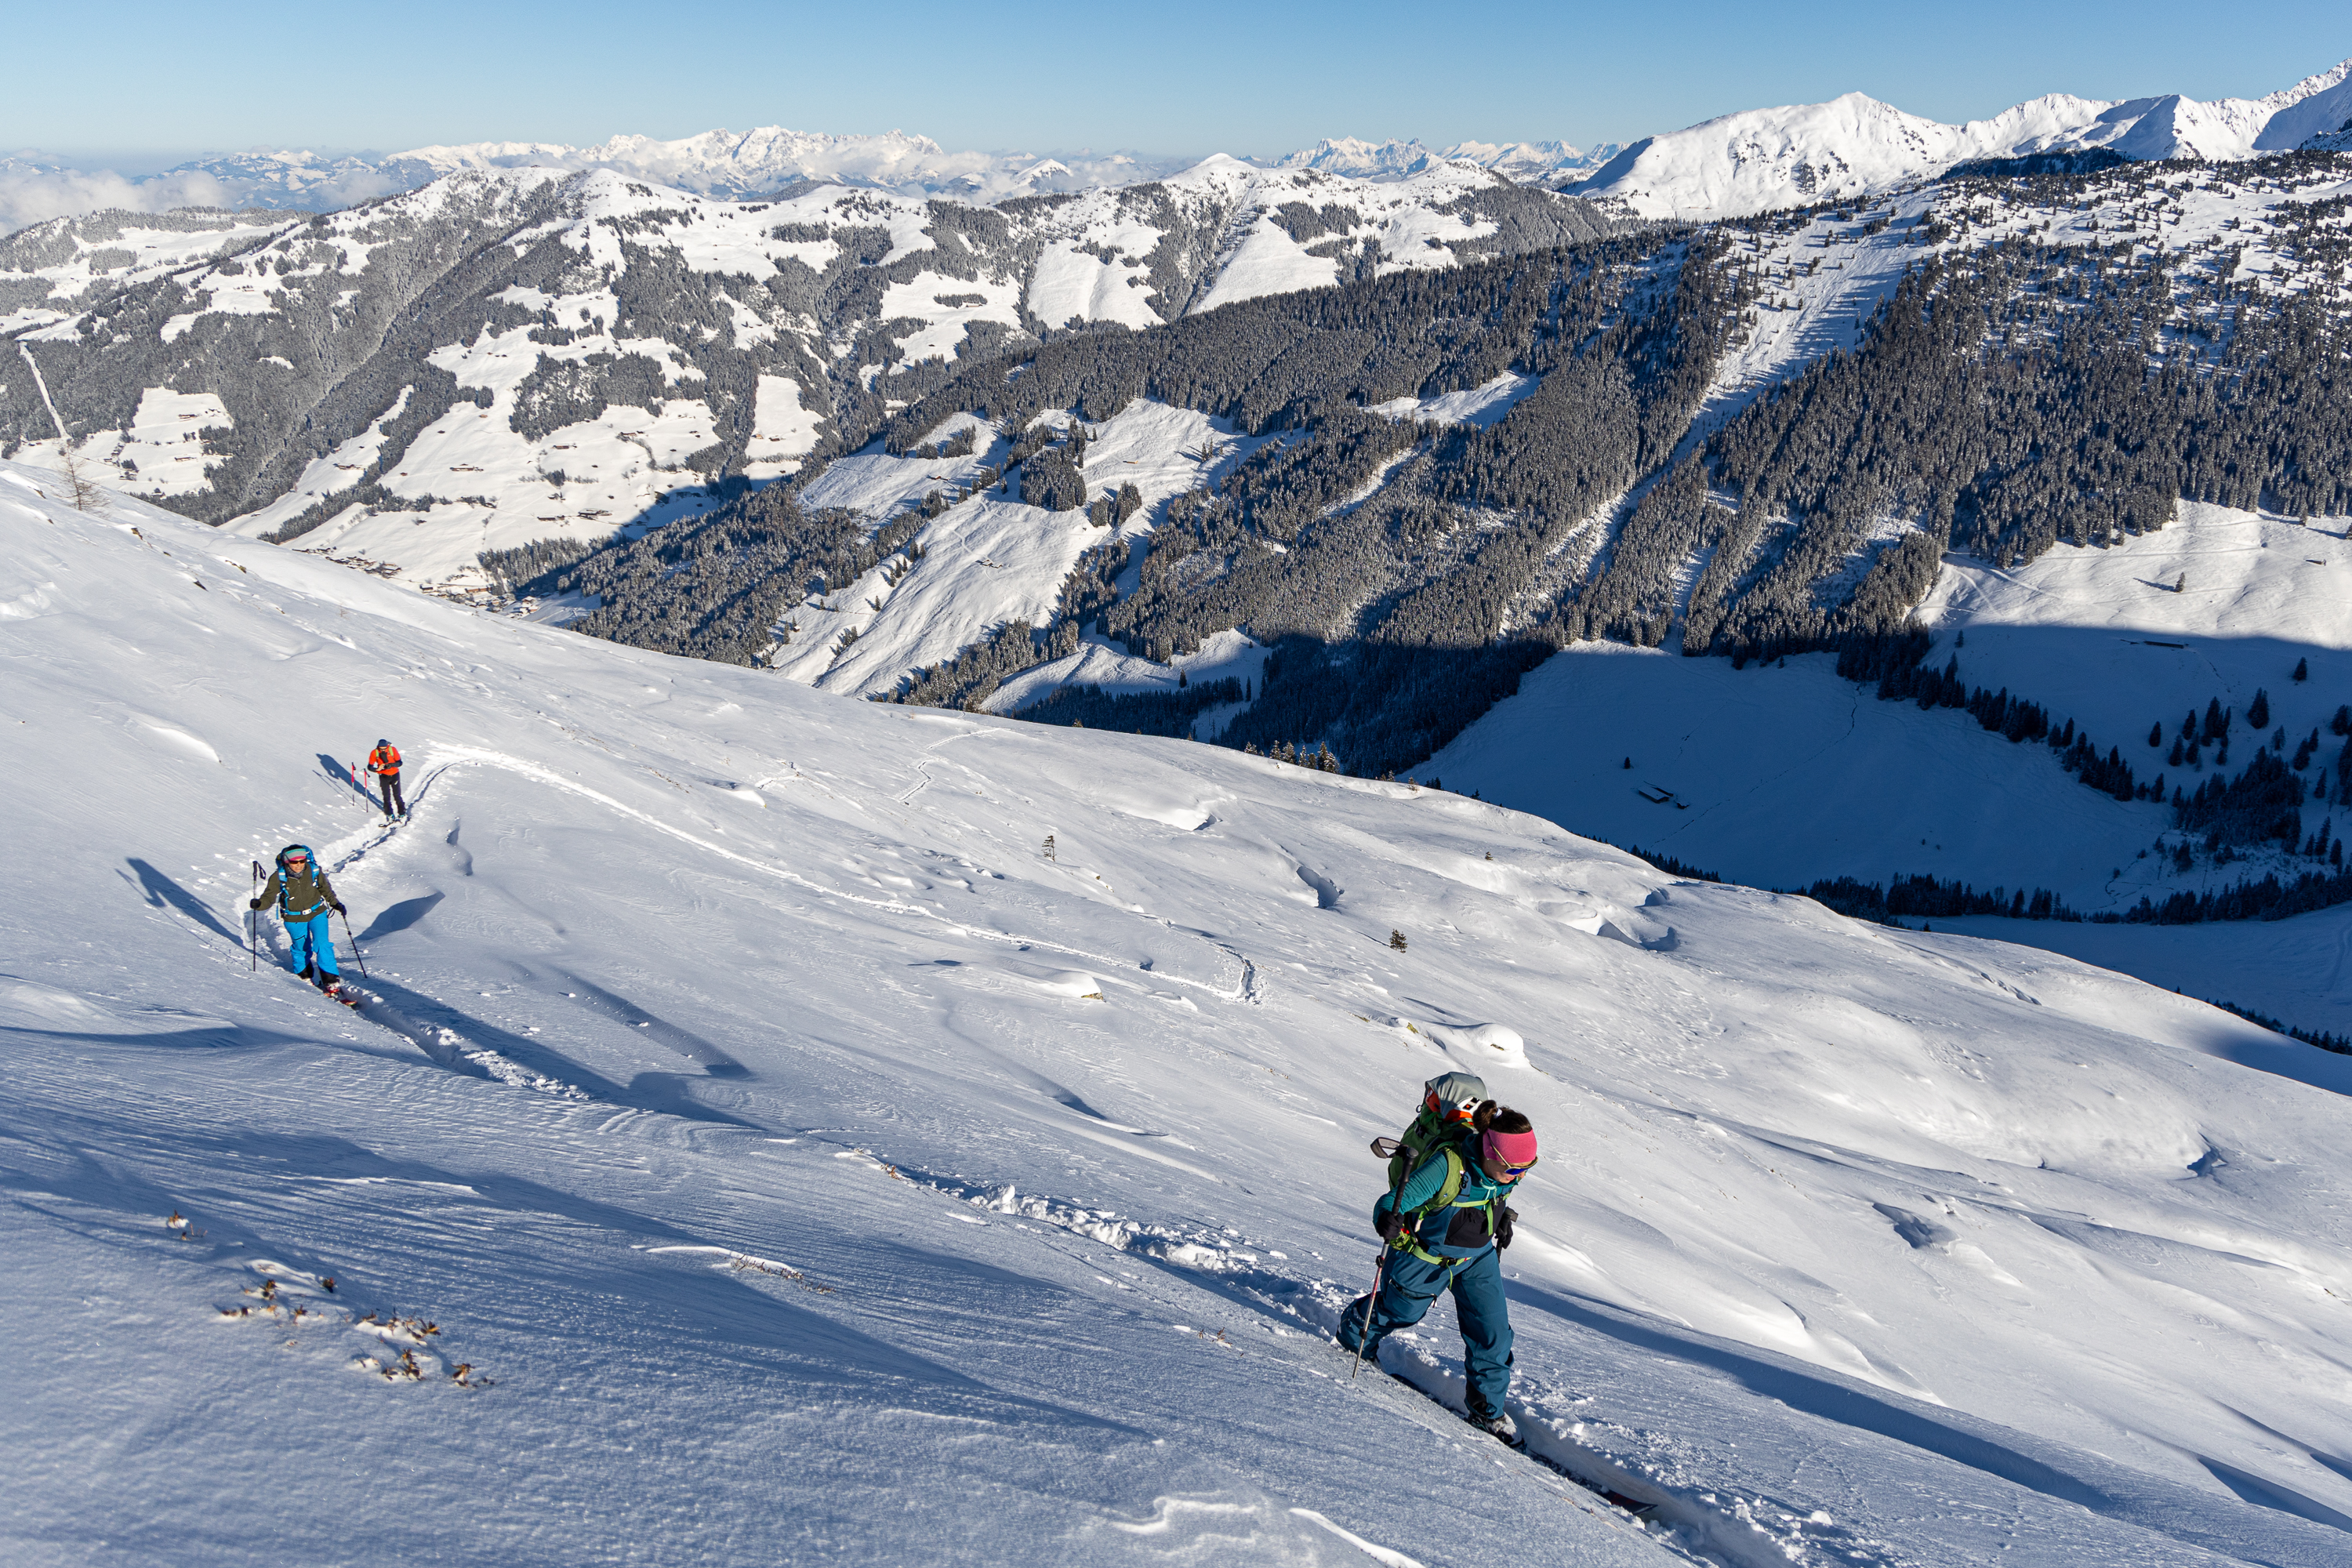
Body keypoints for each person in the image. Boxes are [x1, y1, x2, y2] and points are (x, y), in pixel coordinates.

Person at [1338, 1101, 1539, 1444]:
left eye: (1527, 1168)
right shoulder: (1446, 1167)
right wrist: (1386, 1221)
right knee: (1400, 1312)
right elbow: (1391, 1203)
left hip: (1476, 1259)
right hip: (1425, 1255)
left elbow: (1492, 1194)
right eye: (1514, 1169)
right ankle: (1354, 1335)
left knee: (1493, 1333)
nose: (1519, 1176)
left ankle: (1487, 1411)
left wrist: (1501, 1218)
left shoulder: (1505, 1171)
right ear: (1489, 1152)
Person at [251, 844, 347, 993]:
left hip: (317, 913)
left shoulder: (314, 871)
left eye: (302, 861)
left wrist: (335, 903)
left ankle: (331, 980)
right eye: (295, 862)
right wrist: (259, 905)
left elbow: (325, 889)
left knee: (322, 945)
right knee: (301, 948)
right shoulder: (279, 877)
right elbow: (269, 897)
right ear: (287, 862)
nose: (299, 865)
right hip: (293, 917)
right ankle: (304, 977)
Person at [366, 739, 406, 819]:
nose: (383, 750)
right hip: (383, 775)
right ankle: (389, 812)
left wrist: (391, 765)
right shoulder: (375, 753)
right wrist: (377, 769)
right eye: (381, 749)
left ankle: (402, 811)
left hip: (394, 774)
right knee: (386, 795)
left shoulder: (392, 750)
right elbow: (369, 766)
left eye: (384, 748)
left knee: (397, 795)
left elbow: (400, 763)